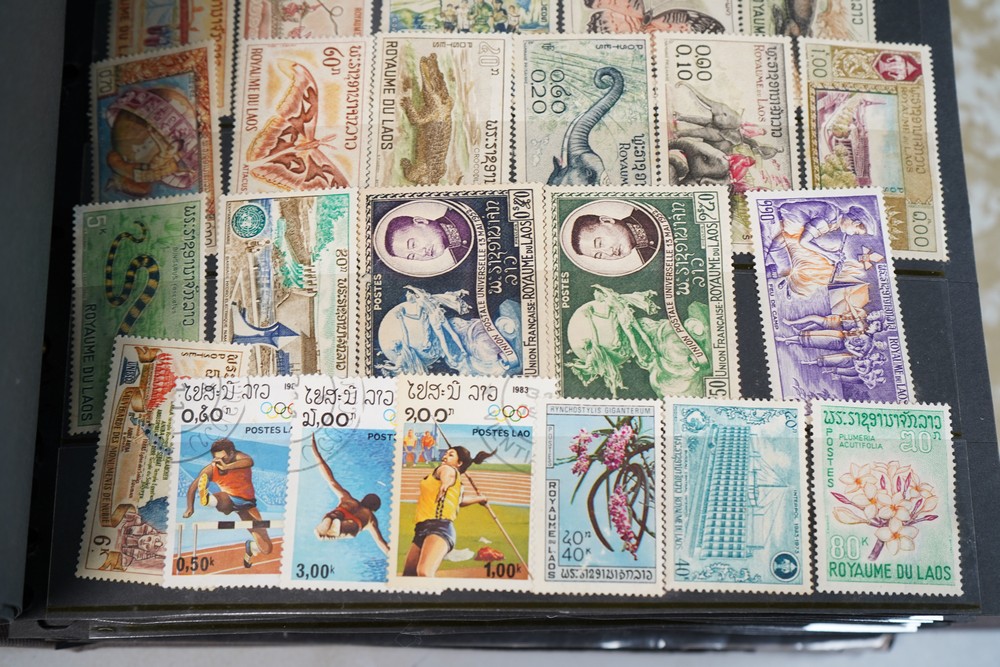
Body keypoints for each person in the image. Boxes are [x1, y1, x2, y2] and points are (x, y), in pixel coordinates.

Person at [402, 446, 493, 577]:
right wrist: (480, 498)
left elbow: (447, 474)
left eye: (450, 455)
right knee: (408, 575)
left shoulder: (447, 469)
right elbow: (459, 502)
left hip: (439, 527)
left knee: (424, 572)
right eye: (445, 453)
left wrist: (445, 483)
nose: (445, 456)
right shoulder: (458, 483)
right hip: (421, 529)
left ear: (459, 463)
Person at [183, 438, 271, 568]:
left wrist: (227, 467)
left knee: (266, 548)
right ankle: (208, 500)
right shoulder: (211, 469)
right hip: (229, 500)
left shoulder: (239, 457)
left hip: (248, 505)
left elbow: (249, 461)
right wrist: (190, 508)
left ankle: (251, 547)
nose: (220, 462)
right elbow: (192, 488)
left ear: (231, 454)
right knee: (223, 498)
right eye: (217, 458)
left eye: (224, 458)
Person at [763, 199, 876, 298]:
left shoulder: (834, 220)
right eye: (855, 232)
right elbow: (804, 241)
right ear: (855, 222)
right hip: (772, 224)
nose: (851, 234)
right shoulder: (831, 216)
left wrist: (830, 257)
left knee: (784, 270)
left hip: (780, 235)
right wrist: (829, 254)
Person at [310, 436, 390, 554]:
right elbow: (380, 542)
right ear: (374, 510)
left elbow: (330, 480)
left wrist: (316, 454)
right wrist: (390, 553)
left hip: (340, 512)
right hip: (352, 526)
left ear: (362, 499)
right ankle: (335, 527)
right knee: (345, 530)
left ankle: (331, 519)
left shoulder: (348, 498)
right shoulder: (371, 518)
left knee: (331, 519)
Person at [568, 209, 659, 263]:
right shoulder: (650, 259)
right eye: (599, 255)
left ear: (607, 221)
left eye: (600, 243)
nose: (609, 253)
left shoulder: (647, 210)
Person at [382, 213, 471, 266]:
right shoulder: (462, 260)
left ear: (420, 221)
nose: (422, 254)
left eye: (413, 244)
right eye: (412, 256)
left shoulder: (462, 213)